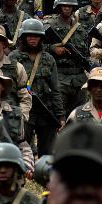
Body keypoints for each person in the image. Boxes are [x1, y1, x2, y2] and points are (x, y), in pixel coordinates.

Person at [12, 17, 64, 155]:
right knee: (21, 150)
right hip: (24, 110)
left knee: (48, 153)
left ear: (41, 38)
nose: (33, 39)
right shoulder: (13, 58)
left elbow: (55, 89)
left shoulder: (48, 59)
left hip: (45, 109)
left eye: (36, 36)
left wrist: (60, 116)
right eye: (29, 35)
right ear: (23, 37)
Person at [44, 0, 92, 113]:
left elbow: (86, 52)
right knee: (58, 113)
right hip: (59, 76)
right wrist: (53, 49)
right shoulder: (49, 26)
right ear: (58, 7)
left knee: (81, 114)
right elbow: (37, 47)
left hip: (79, 78)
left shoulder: (81, 29)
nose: (67, 8)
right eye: (64, 5)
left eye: (69, 6)